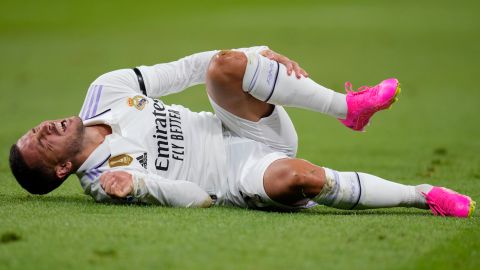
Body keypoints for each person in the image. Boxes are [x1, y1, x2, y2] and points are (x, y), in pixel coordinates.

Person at [9, 46, 475, 217]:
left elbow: (188, 69)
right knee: (301, 180)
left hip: (244, 122)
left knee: (223, 66)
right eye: (42, 142)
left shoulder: (104, 90)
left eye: (36, 129)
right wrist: (142, 185)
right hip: (243, 173)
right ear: (63, 168)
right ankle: (422, 194)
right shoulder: (107, 182)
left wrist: (257, 57)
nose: (45, 127)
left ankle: (348, 108)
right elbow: (200, 198)